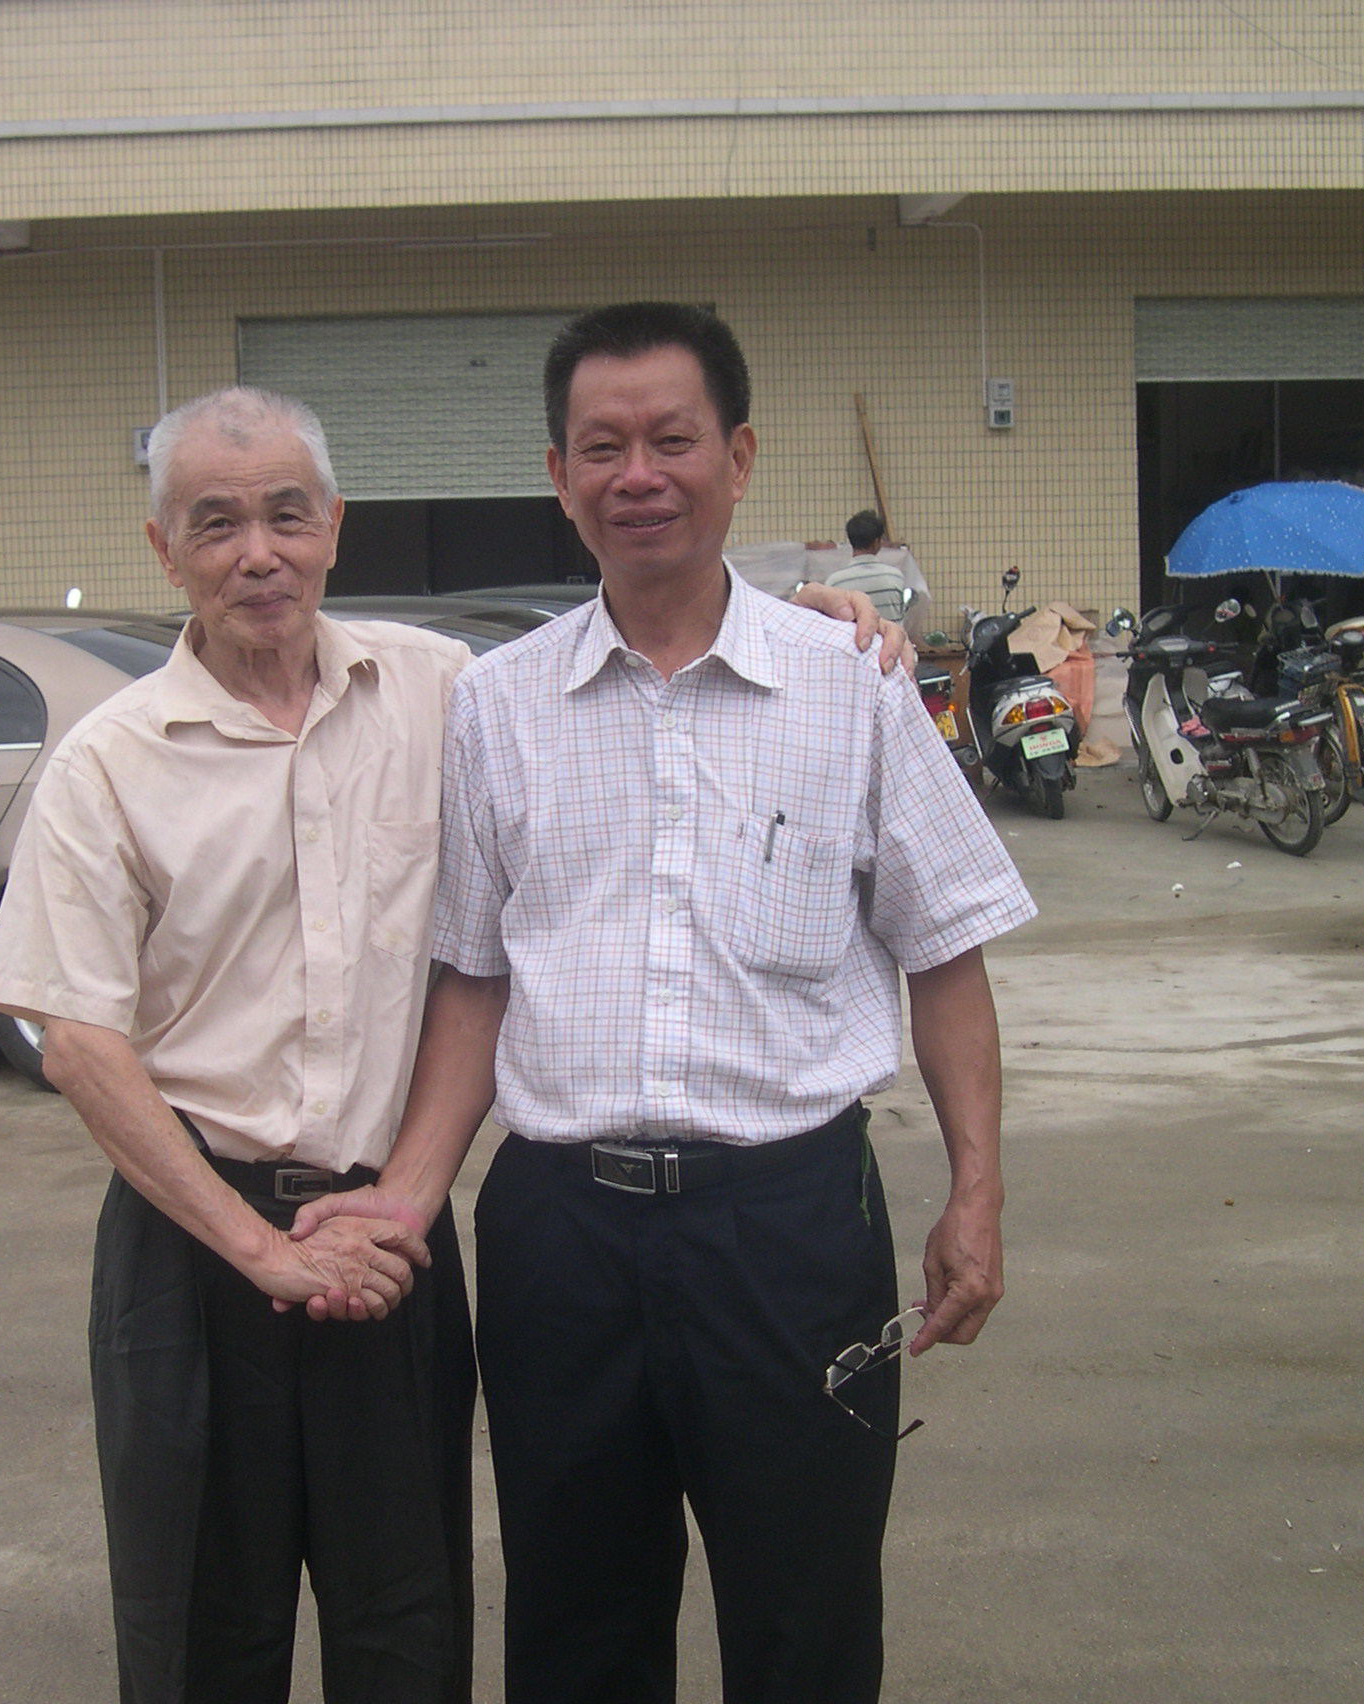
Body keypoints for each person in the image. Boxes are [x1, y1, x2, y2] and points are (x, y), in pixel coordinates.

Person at [295, 303, 1037, 1704]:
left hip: (793, 1229)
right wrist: (406, 1196)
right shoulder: (498, 705)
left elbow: (945, 954)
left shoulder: (851, 685)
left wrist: (978, 1196)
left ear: (738, 459)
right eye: (602, 447)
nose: (638, 474)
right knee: (576, 1630)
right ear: (558, 477)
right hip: (561, 1241)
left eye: (672, 440)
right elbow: (475, 976)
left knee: (806, 1624)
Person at [0, 387, 476, 1704]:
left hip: (389, 1241)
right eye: (216, 525)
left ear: (335, 527)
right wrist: (260, 1251)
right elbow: (78, 1041)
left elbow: (624, 669)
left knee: (409, 1637)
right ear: (164, 551)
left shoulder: (440, 693)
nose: (259, 554)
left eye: (286, 517)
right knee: (201, 1639)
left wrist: (820, 621)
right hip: (192, 1254)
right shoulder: (108, 763)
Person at [812, 508, 913, 625]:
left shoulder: (834, 582)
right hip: (891, 637)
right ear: (877, 542)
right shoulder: (895, 577)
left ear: (851, 541)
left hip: (855, 637)